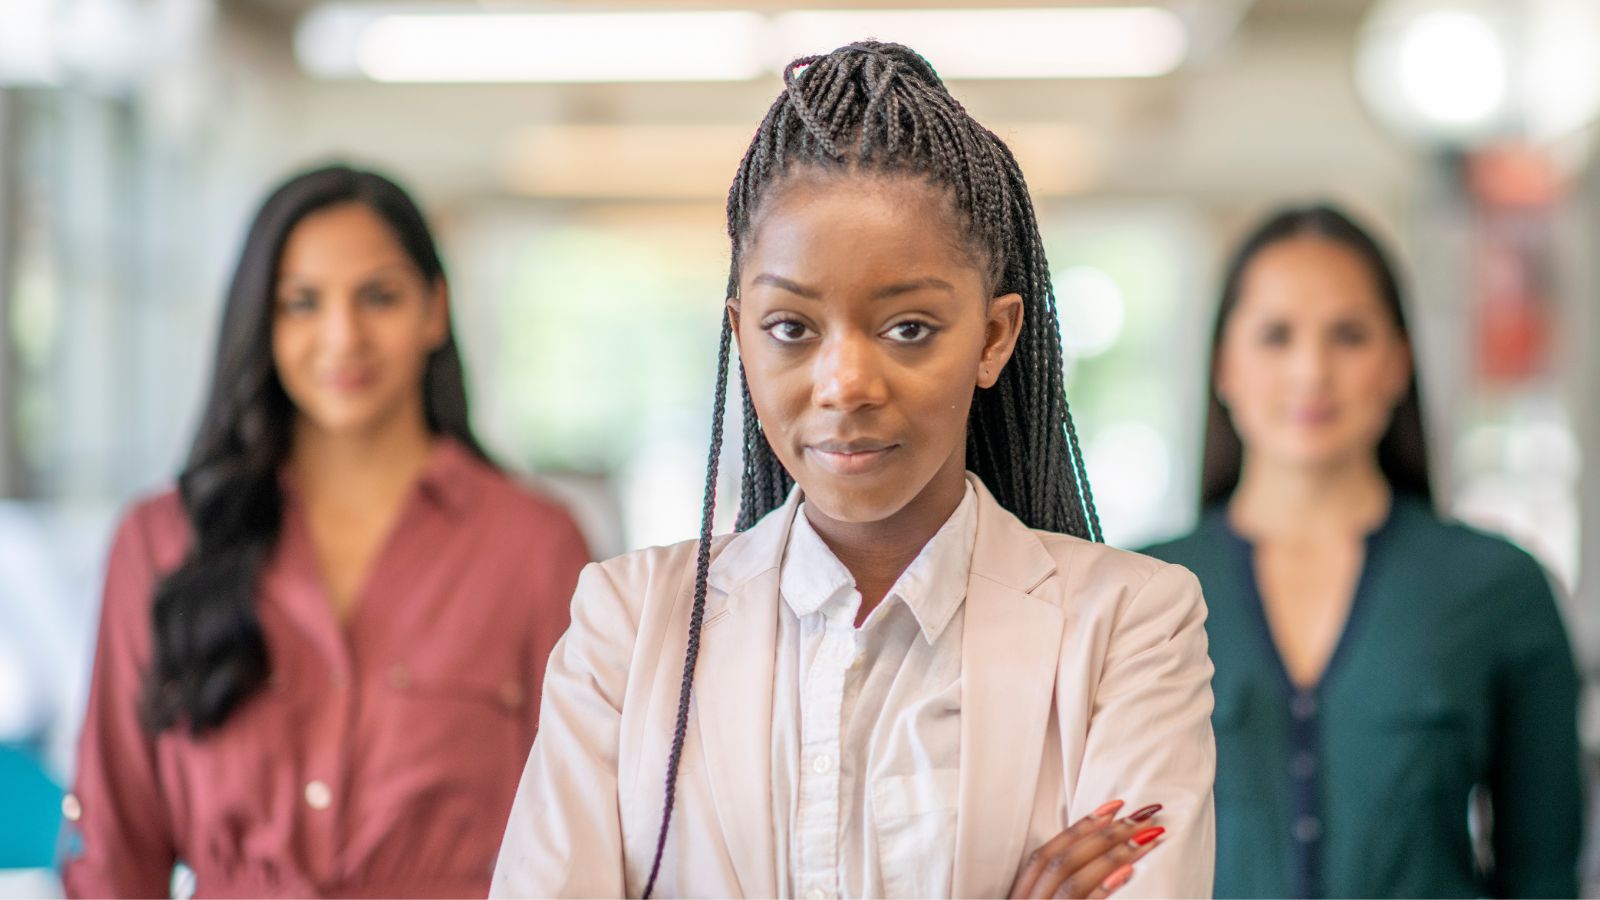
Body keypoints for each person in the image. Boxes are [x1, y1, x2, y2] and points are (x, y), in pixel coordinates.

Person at [492, 42, 1215, 899]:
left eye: (908, 327)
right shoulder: (626, 630)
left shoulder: (1132, 626)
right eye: (792, 328)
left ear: (994, 336)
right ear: (741, 334)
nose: (846, 386)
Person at [62, 164, 590, 898]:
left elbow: (588, 839)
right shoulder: (159, 544)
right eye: (301, 303)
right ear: (260, 324)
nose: (342, 337)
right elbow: (114, 849)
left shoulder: (535, 548)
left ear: (434, 310)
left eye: (378, 296)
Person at [1142, 203, 1583, 897]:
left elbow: (1544, 872)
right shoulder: (1138, 590)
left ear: (1398, 362)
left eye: (1348, 335)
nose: (1312, 370)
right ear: (1224, 365)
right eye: (1276, 335)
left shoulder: (1501, 587)